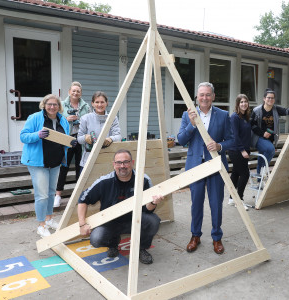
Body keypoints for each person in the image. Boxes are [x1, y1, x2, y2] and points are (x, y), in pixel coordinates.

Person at [177, 82, 234, 254]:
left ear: (213, 97)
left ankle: (217, 237)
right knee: (196, 204)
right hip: (195, 166)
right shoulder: (188, 115)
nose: (204, 98)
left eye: (208, 94)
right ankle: (195, 236)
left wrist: (219, 146)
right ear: (197, 97)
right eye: (201, 95)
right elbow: (181, 140)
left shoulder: (223, 115)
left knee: (216, 203)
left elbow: (231, 141)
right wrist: (192, 124)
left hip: (216, 165)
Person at [77, 149, 163, 264]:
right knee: (96, 239)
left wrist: (153, 202)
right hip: (111, 223)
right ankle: (113, 243)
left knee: (153, 221)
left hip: (135, 220)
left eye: (126, 162)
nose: (122, 166)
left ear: (132, 163)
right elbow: (83, 200)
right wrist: (82, 223)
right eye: (118, 162)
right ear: (114, 164)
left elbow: (148, 209)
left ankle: (141, 248)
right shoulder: (104, 182)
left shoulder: (143, 180)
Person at [20, 94, 77, 238]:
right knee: (42, 195)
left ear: (59, 106)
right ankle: (41, 225)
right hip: (38, 162)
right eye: (49, 104)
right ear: (44, 105)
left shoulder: (62, 120)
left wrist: (70, 143)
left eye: (55, 104)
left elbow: (64, 139)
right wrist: (37, 135)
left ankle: (49, 219)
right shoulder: (35, 118)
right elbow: (23, 136)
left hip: (56, 162)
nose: (52, 107)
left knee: (52, 193)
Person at [251, 89, 289, 180]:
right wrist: (263, 133)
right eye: (268, 98)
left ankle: (259, 177)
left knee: (263, 155)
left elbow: (287, 111)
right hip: (258, 138)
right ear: (264, 98)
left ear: (274, 100)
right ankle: (263, 171)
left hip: (271, 139)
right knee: (270, 150)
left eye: (272, 98)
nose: (270, 100)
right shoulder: (257, 110)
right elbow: (252, 125)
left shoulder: (276, 109)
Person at [55, 82, 90, 207]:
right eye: (73, 90)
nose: (76, 93)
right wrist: (66, 119)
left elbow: (89, 121)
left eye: (78, 91)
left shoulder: (85, 106)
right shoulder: (62, 105)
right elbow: (56, 120)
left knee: (80, 168)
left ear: (81, 93)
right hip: (66, 139)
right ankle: (58, 196)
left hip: (80, 140)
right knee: (64, 167)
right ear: (69, 91)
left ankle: (78, 195)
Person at [77, 91, 121, 168]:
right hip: (88, 160)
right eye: (97, 102)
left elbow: (118, 136)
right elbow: (79, 139)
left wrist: (111, 139)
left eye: (102, 102)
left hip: (108, 159)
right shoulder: (85, 118)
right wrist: (85, 137)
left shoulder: (113, 118)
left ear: (107, 103)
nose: (99, 105)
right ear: (92, 103)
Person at [227, 94, 251, 211]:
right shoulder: (235, 117)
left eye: (245, 102)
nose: (243, 104)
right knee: (245, 174)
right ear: (237, 104)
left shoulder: (245, 117)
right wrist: (242, 150)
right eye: (241, 102)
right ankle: (239, 200)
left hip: (243, 149)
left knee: (236, 173)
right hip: (236, 150)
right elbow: (235, 136)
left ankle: (232, 198)